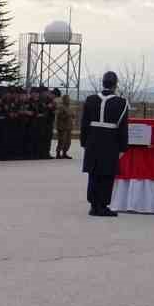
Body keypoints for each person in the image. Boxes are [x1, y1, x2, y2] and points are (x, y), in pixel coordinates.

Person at [81, 71, 129, 218]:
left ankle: (93, 205)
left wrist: (84, 142)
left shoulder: (90, 100)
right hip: (110, 141)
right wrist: (123, 147)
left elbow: (84, 124)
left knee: (93, 173)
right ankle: (102, 205)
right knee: (107, 174)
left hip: (93, 140)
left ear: (103, 82)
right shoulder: (122, 103)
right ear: (115, 85)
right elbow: (123, 127)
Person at [53, 88, 77, 159]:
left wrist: (72, 115)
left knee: (68, 141)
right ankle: (58, 153)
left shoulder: (69, 107)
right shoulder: (61, 107)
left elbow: (72, 115)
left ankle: (65, 153)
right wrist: (67, 115)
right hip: (62, 127)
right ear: (64, 100)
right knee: (61, 141)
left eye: (69, 99)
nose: (68, 100)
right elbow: (59, 116)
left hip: (69, 127)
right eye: (67, 99)